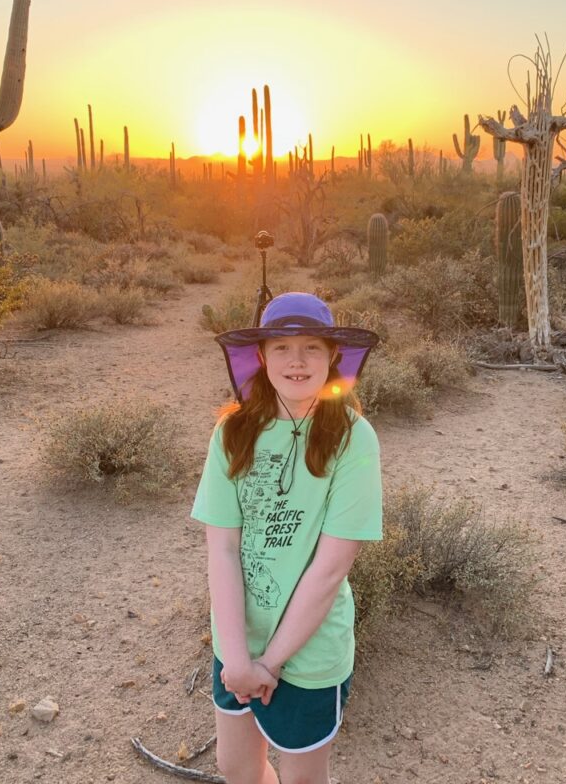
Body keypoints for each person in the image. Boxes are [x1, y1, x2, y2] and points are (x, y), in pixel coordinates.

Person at [191, 292, 383, 784]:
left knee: (301, 778)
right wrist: (236, 658)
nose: (296, 361)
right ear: (261, 356)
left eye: (312, 348)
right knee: (236, 769)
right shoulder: (232, 431)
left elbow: (331, 567)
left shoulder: (353, 438)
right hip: (235, 640)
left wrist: (270, 663)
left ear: (332, 357)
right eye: (281, 347)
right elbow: (223, 548)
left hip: (309, 649)